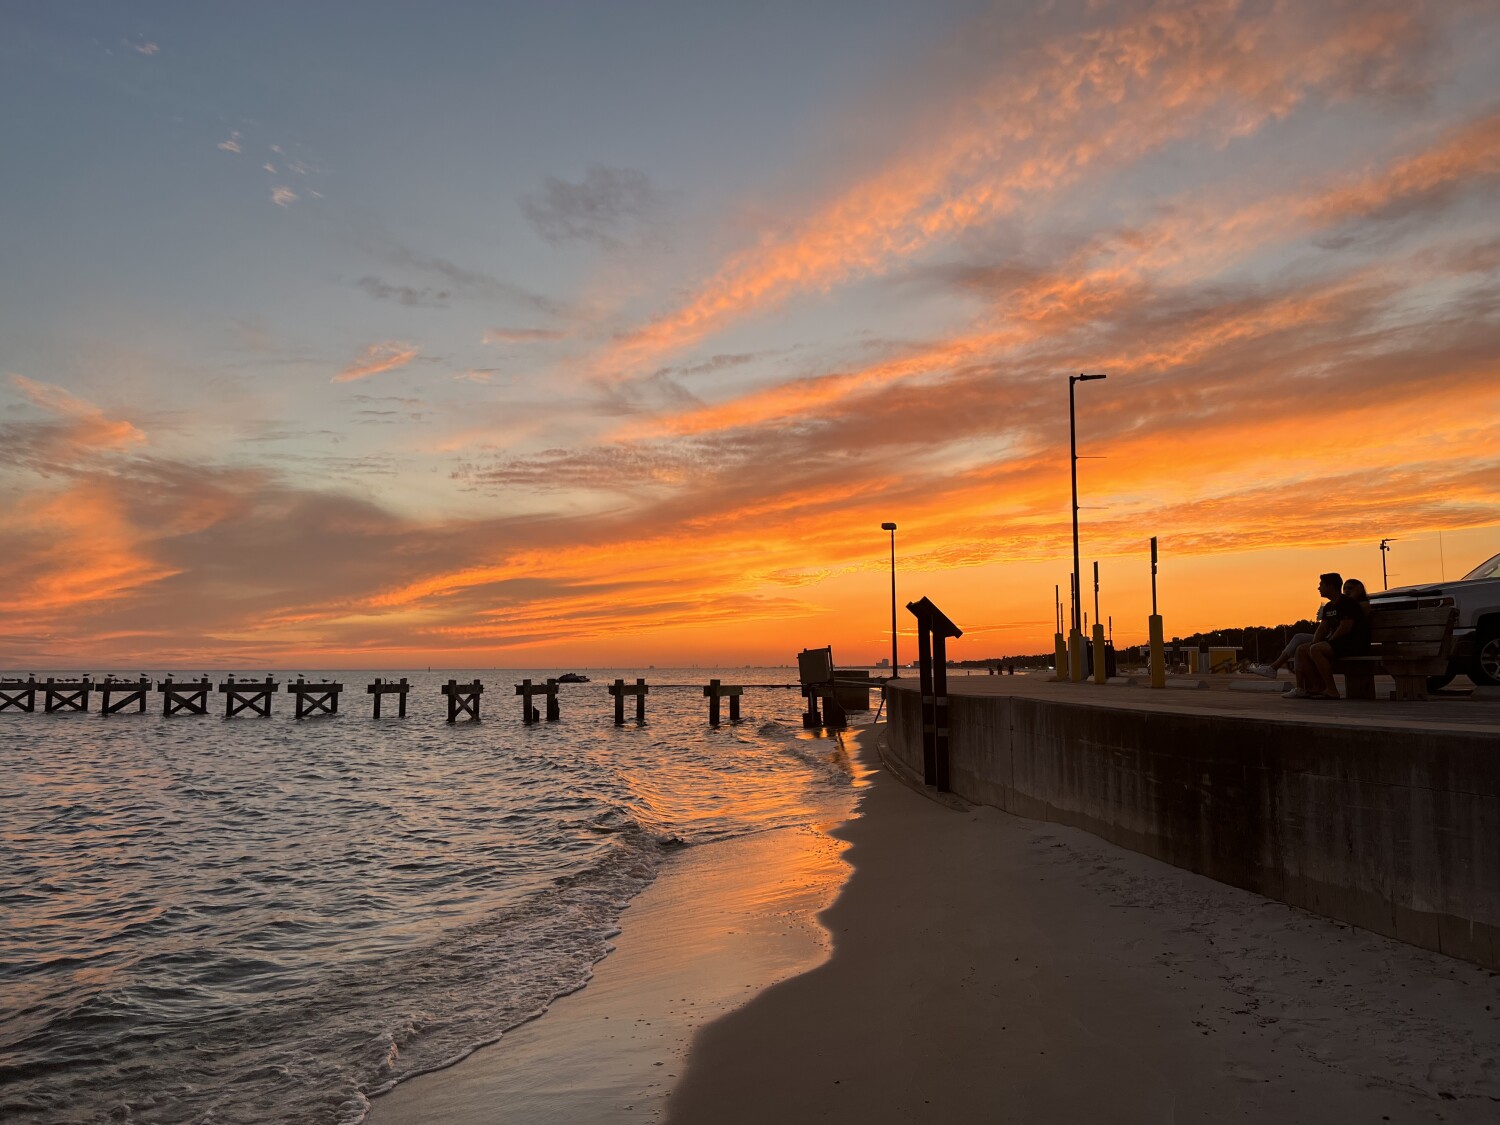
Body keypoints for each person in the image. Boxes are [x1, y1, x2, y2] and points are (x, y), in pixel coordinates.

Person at [1296, 572, 1371, 699]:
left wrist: (1328, 642)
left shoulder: (1347, 603)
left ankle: (1332, 690)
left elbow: (1345, 627)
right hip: (1339, 644)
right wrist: (1315, 641)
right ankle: (1317, 687)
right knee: (1302, 649)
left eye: (1321, 585)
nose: (1318, 588)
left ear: (1330, 586)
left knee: (1316, 649)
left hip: (1353, 643)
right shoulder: (1329, 606)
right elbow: (1323, 627)